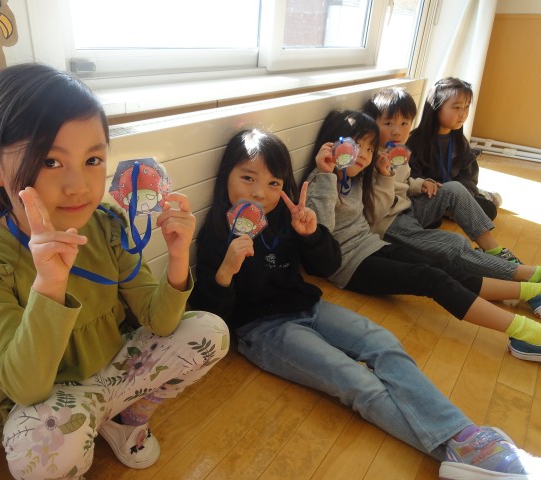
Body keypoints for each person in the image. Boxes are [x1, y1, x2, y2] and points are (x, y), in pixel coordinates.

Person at [188, 127, 541, 479]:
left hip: (309, 306)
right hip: (262, 329)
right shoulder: (216, 235)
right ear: (227, 175)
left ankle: (466, 438)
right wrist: (226, 272)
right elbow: (212, 316)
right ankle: (463, 448)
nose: (259, 192)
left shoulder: (284, 217)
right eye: (247, 178)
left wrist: (311, 236)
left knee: (383, 343)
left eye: (273, 183)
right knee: (354, 380)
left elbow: (326, 265)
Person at [0, 63, 229, 480]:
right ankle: (92, 424)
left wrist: (179, 256)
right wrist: (49, 284)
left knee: (210, 331)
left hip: (118, 371)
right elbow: (26, 388)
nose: (78, 185)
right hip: (55, 398)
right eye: (50, 161)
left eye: (93, 159)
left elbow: (161, 322)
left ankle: (126, 418)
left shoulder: (106, 224)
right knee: (39, 452)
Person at [302, 108, 541, 361]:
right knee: (432, 279)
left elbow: (373, 215)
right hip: (348, 265)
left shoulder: (355, 178)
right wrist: (327, 175)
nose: (364, 154)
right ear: (332, 144)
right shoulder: (321, 181)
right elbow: (323, 240)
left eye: (370, 148)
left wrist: (384, 176)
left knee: (441, 267)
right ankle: (528, 333)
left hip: (371, 245)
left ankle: (530, 290)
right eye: (356, 144)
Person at [361, 87, 541, 280]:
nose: (397, 131)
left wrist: (419, 184)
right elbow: (375, 212)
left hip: (407, 209)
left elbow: (403, 182)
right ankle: (521, 275)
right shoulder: (369, 158)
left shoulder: (398, 150)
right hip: (389, 224)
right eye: (388, 123)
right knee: (453, 244)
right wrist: (385, 175)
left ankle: (494, 251)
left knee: (454, 188)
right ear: (373, 123)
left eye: (404, 123)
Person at [406, 77, 503, 225]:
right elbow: (412, 177)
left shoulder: (459, 141)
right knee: (428, 220)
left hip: (456, 195)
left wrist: (463, 195)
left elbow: (468, 175)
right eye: (457, 107)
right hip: (431, 196)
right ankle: (450, 211)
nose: (463, 113)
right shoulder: (416, 141)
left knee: (488, 210)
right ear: (436, 107)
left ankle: (471, 200)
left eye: (466, 107)